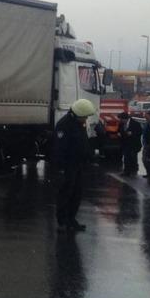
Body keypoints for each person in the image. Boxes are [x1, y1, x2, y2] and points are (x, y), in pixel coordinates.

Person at [55, 99, 96, 232]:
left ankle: (71, 219)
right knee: (65, 193)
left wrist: (90, 156)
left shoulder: (79, 124)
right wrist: (61, 168)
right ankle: (62, 221)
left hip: (78, 164)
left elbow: (83, 143)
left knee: (76, 193)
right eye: (85, 116)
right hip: (67, 165)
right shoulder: (63, 125)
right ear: (78, 114)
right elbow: (59, 148)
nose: (86, 119)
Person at [118, 112, 143, 176]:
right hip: (125, 143)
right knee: (126, 157)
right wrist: (120, 133)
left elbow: (140, 132)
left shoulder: (135, 124)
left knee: (133, 157)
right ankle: (126, 171)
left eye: (121, 119)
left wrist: (132, 133)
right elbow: (120, 130)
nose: (120, 121)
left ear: (125, 119)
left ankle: (134, 170)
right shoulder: (121, 124)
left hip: (134, 143)